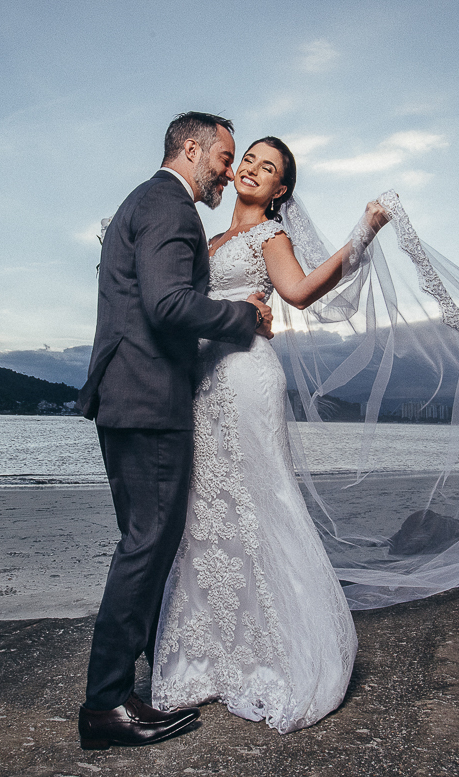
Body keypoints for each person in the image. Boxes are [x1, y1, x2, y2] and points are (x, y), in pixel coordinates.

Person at [149, 137, 387, 733]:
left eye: (269, 168)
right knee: (206, 512)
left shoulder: (269, 237)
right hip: (201, 385)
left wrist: (363, 233)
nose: (253, 170)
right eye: (248, 160)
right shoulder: (207, 243)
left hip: (248, 379)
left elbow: (300, 292)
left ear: (280, 190)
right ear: (232, 174)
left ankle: (281, 653)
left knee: (263, 501)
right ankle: (207, 655)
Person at [76, 112, 275, 750]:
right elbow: (166, 305)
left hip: (123, 396)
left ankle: (122, 693)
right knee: (146, 546)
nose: (228, 172)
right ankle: (107, 703)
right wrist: (242, 315)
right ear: (192, 150)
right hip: (150, 398)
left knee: (143, 542)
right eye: (223, 158)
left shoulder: (141, 201)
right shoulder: (170, 206)